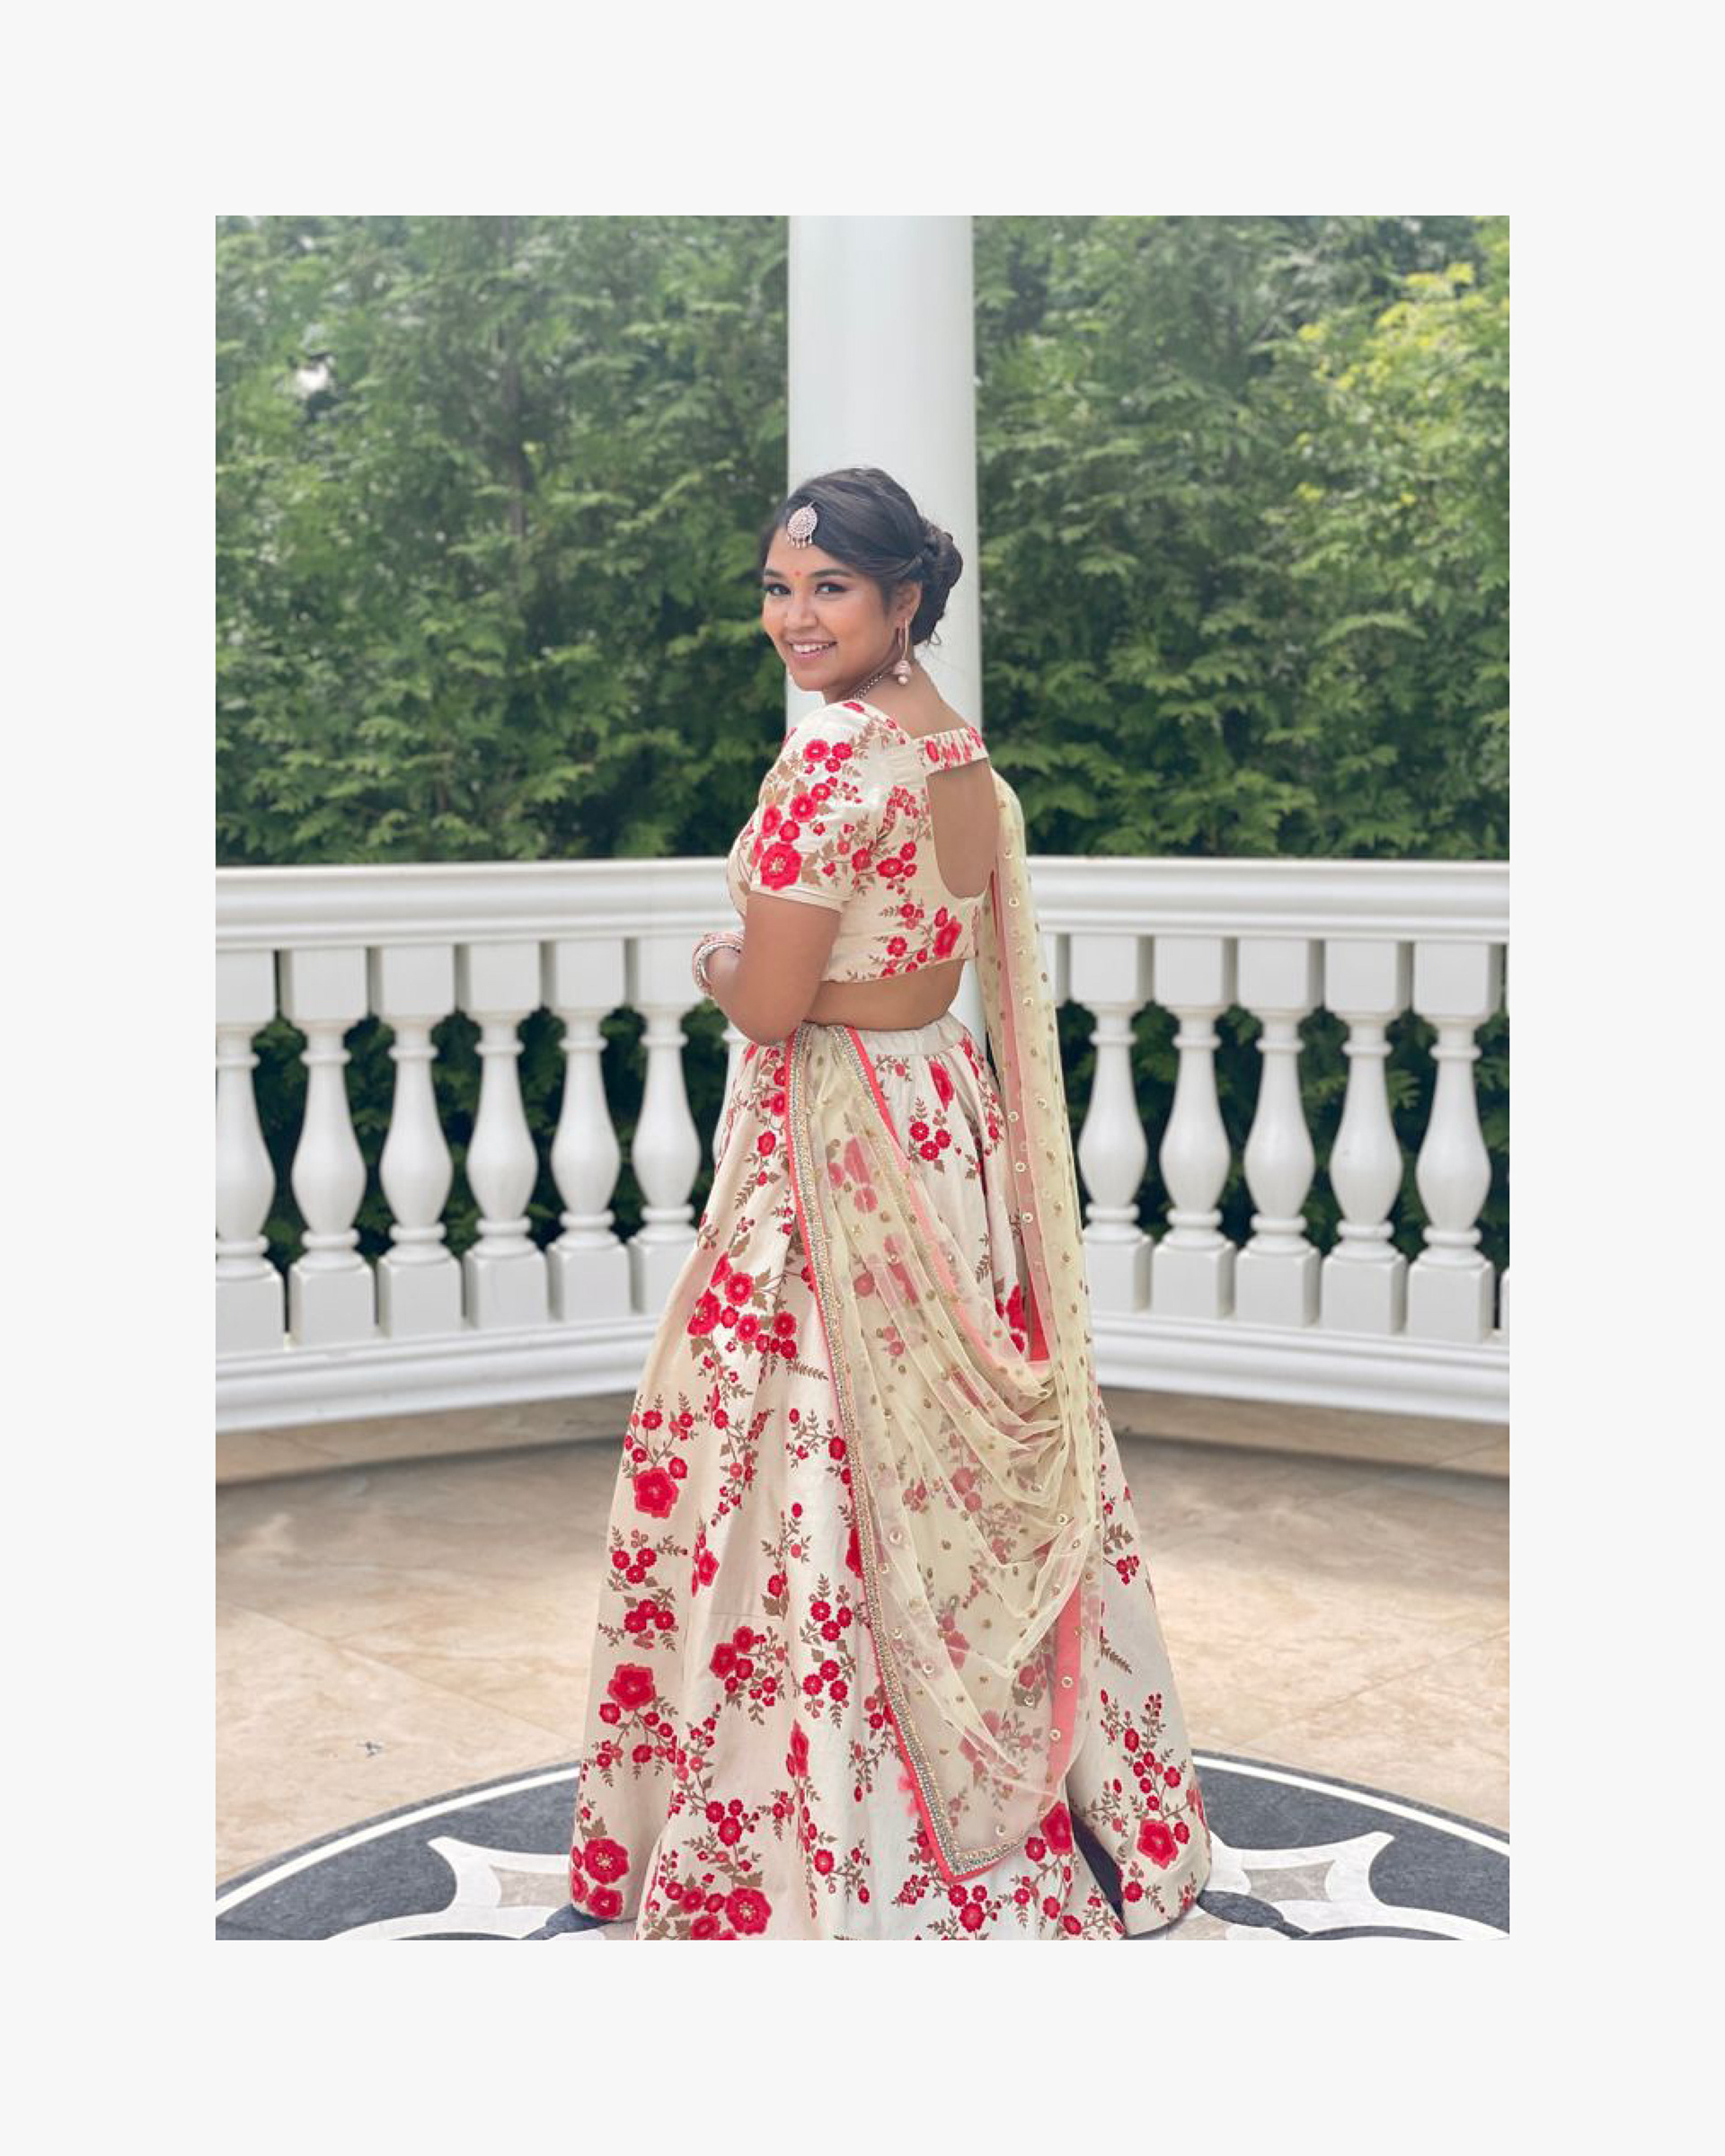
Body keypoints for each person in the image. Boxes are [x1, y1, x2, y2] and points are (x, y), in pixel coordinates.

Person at [566, 466, 1212, 1940]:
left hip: (835, 1149)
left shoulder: (830, 770)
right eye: (778, 589)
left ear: (904, 599)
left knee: (811, 1460)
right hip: (940, 1130)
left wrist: (715, 964)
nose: (795, 617)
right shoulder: (961, 762)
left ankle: (826, 1837)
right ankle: (1012, 1789)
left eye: (830, 589)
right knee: (942, 1473)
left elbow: (774, 1003)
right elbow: (927, 975)